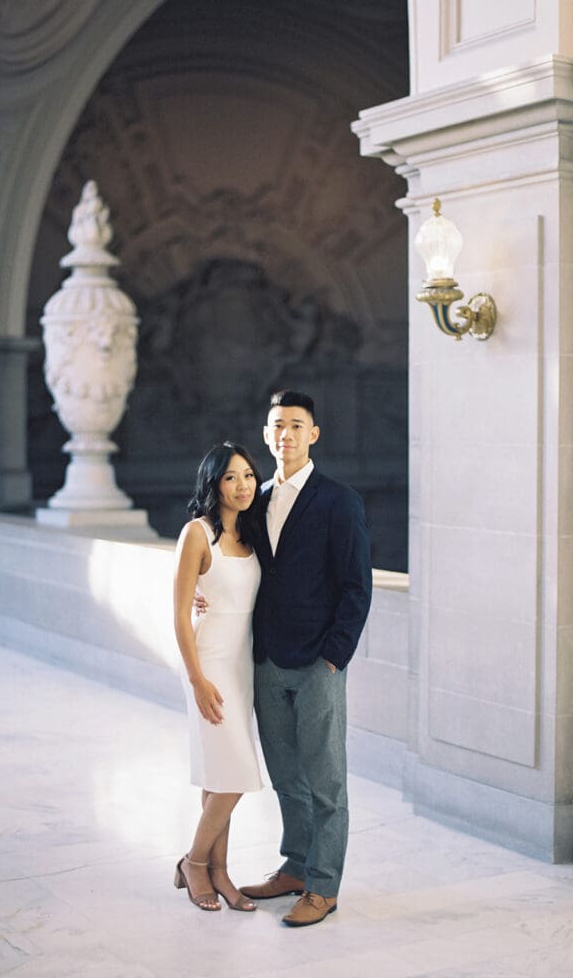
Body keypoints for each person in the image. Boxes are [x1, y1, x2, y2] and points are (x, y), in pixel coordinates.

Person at [238, 389, 372, 927]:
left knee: (325, 783)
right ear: (267, 434)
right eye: (277, 425)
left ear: (312, 434)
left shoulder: (340, 501)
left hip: (318, 662)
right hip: (267, 659)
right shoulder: (255, 497)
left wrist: (334, 659)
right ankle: (294, 867)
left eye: (296, 425)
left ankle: (323, 886)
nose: (285, 434)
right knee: (286, 777)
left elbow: (356, 588)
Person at [172, 441, 264, 913]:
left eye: (248, 475)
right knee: (236, 777)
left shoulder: (252, 534)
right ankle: (194, 862)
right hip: (209, 665)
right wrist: (196, 680)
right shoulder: (197, 534)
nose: (243, 485)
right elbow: (179, 615)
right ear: (214, 483)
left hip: (242, 665)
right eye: (231, 477)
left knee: (221, 776)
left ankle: (220, 873)